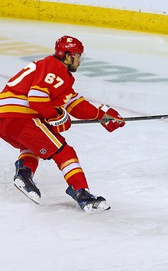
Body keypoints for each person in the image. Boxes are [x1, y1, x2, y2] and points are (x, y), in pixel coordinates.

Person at [0, 35, 125, 212]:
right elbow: (37, 98)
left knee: (34, 145)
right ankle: (82, 194)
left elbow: (75, 104)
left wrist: (102, 116)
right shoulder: (54, 67)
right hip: (20, 116)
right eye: (77, 56)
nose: (79, 61)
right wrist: (55, 115)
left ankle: (24, 173)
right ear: (67, 56)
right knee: (65, 152)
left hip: (5, 119)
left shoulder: (55, 72)